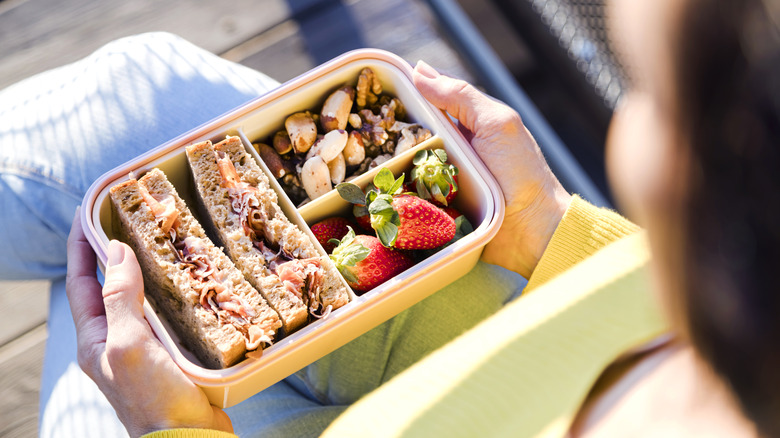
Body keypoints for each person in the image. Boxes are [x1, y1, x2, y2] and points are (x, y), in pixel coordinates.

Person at [7, 0, 778, 436]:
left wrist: (171, 429)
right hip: (514, 345)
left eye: (651, 94)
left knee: (93, 306)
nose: (624, 123)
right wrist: (548, 231)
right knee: (140, 96)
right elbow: (632, 299)